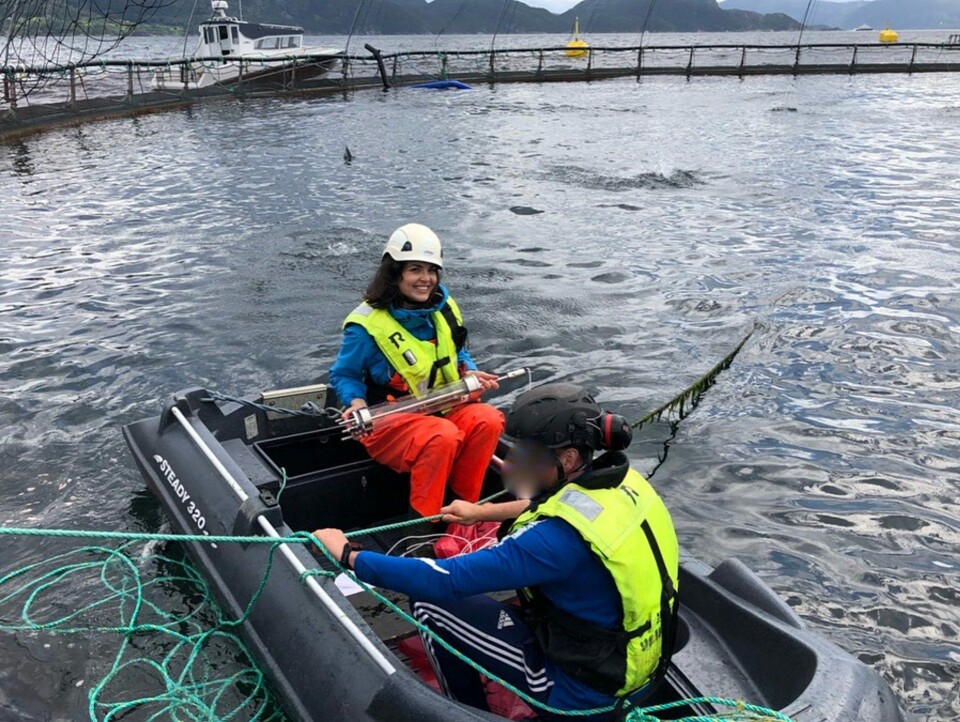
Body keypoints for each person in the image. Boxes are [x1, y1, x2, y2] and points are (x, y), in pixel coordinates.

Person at [313, 383, 680, 720]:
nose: (514, 464)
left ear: (567, 459)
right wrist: (482, 512)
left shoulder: (552, 541)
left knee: (430, 603)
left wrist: (349, 556)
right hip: (635, 666)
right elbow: (561, 506)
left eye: (525, 455)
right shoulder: (626, 485)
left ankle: (463, 711)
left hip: (578, 696)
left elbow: (445, 581)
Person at [329, 223, 505, 520]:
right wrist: (356, 402)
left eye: (432, 270)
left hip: (443, 407)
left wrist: (470, 373)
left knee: (488, 419)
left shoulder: (445, 309)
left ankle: (465, 517)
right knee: (442, 436)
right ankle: (421, 528)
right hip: (389, 421)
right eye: (415, 270)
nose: (426, 279)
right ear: (395, 273)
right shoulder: (366, 325)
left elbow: (458, 352)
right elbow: (344, 374)